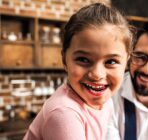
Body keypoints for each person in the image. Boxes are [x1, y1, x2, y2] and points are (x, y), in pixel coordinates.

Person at [23, 3, 133, 140]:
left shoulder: (106, 102)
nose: (97, 74)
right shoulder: (64, 114)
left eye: (111, 62)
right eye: (83, 59)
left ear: (126, 63)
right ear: (64, 60)